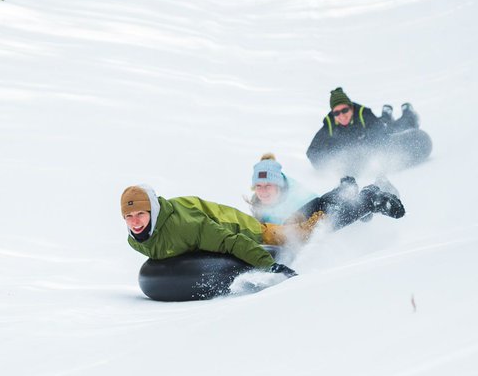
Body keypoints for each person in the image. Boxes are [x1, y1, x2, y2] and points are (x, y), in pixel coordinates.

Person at [120, 178, 404, 276]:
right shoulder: (138, 238)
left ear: (153, 211)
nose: (135, 222)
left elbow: (229, 240)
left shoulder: (185, 226)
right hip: (244, 224)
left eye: (140, 215)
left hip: (250, 232)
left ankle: (371, 199)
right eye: (129, 218)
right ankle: (348, 192)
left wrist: (270, 266)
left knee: (305, 231)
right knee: (297, 222)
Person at [306, 87, 422, 175]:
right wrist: (332, 165)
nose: (342, 115)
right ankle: (386, 113)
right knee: (384, 122)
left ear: (351, 107)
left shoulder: (364, 115)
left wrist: (363, 157)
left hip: (382, 130)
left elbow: (381, 137)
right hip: (360, 151)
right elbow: (312, 152)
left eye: (345, 110)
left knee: (393, 127)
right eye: (337, 113)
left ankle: (408, 113)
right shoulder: (330, 126)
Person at [246, 153, 318, 225]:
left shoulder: (298, 199)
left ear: (278, 186)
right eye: (258, 185)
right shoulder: (257, 202)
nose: (263, 191)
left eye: (268, 185)